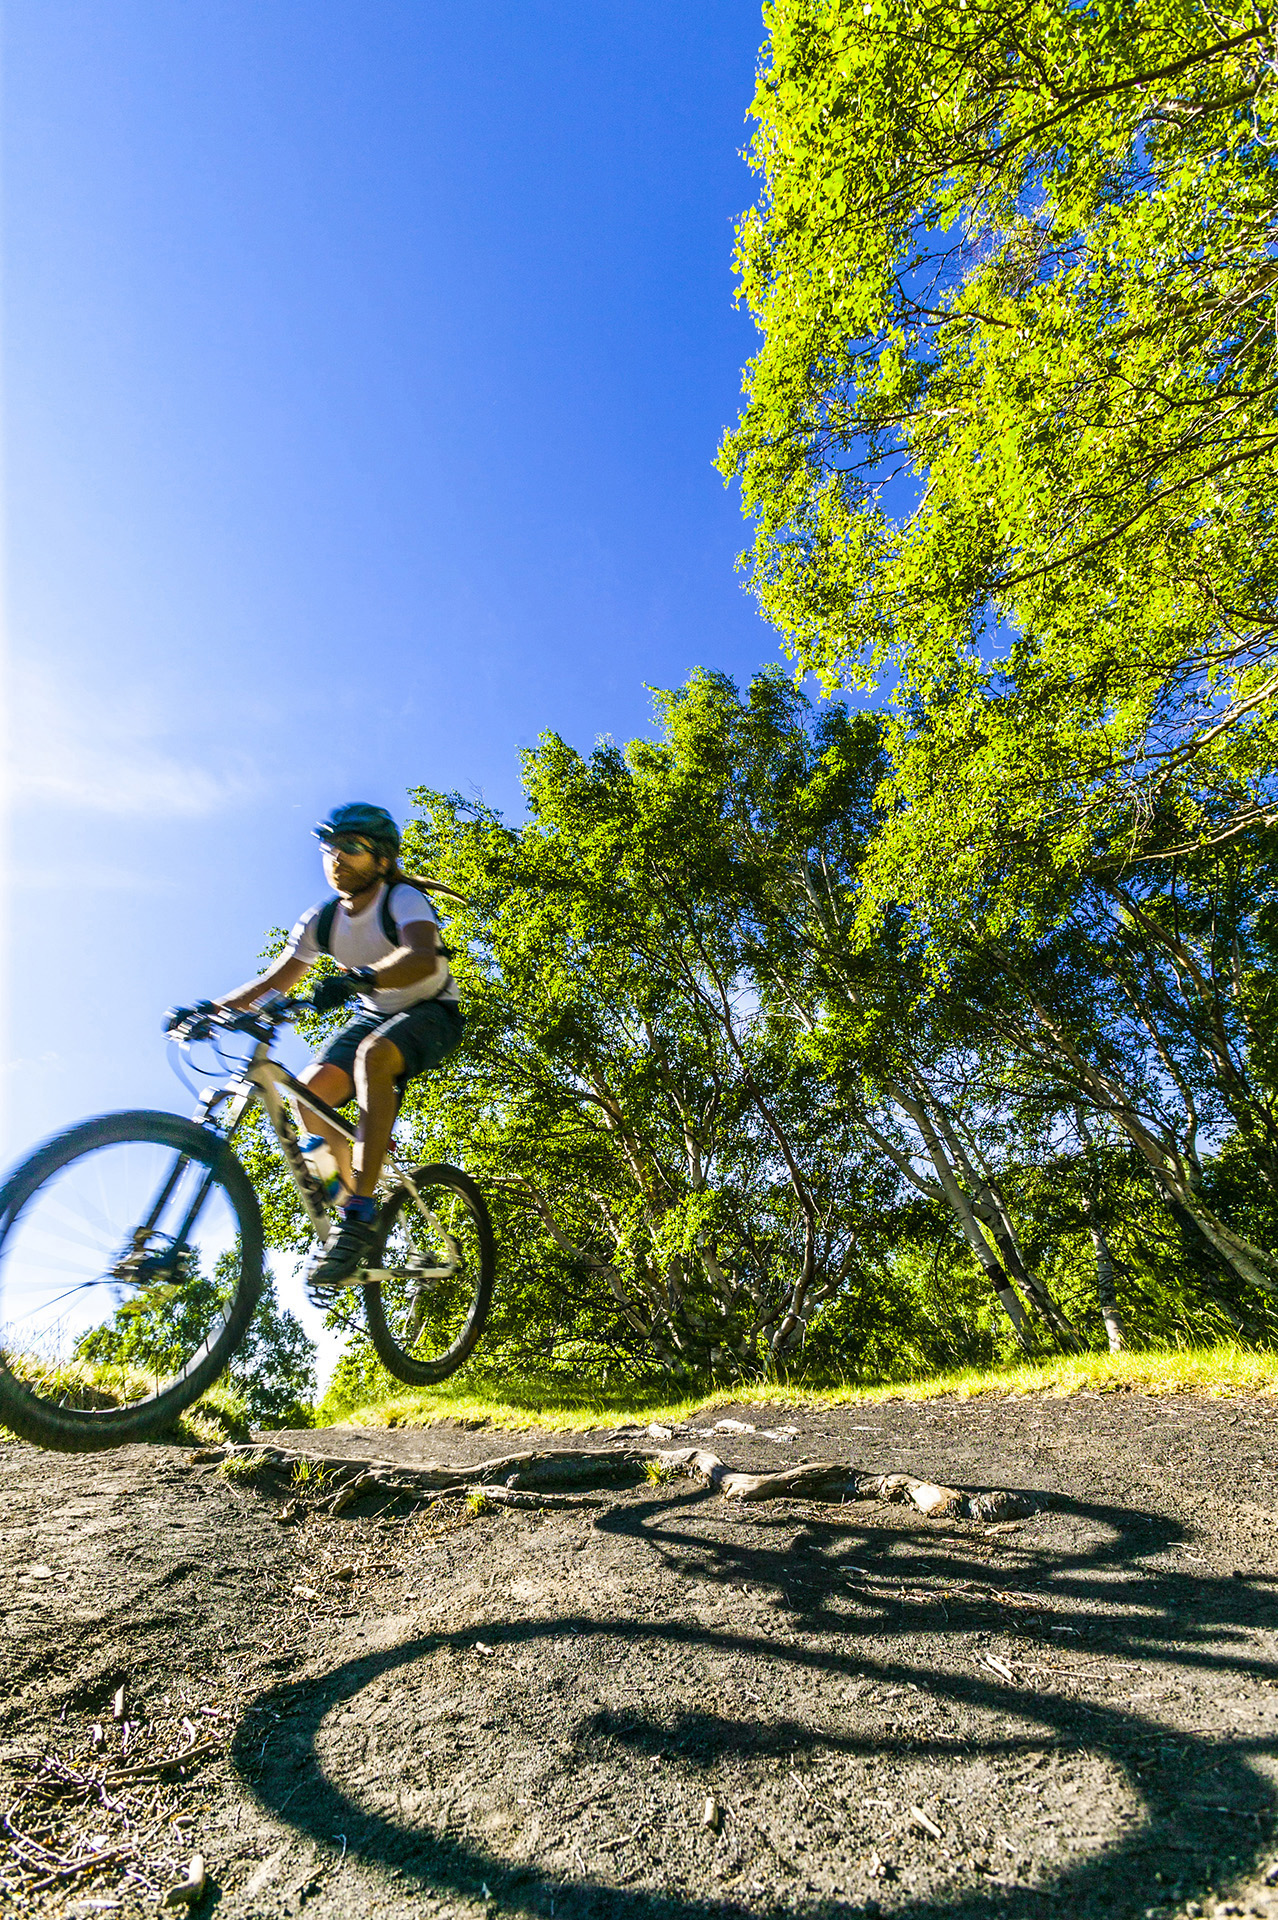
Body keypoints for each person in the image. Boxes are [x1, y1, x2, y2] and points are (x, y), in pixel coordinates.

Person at [215, 803, 463, 1290]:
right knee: (309, 1092)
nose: (336, 857)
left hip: (432, 1013)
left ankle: (361, 1211)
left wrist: (361, 978)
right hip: (374, 1014)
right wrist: (213, 1010)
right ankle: (348, 1209)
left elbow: (420, 958)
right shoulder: (323, 919)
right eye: (329, 848)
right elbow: (276, 980)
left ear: (383, 860)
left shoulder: (401, 900)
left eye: (351, 847)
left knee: (375, 1055)